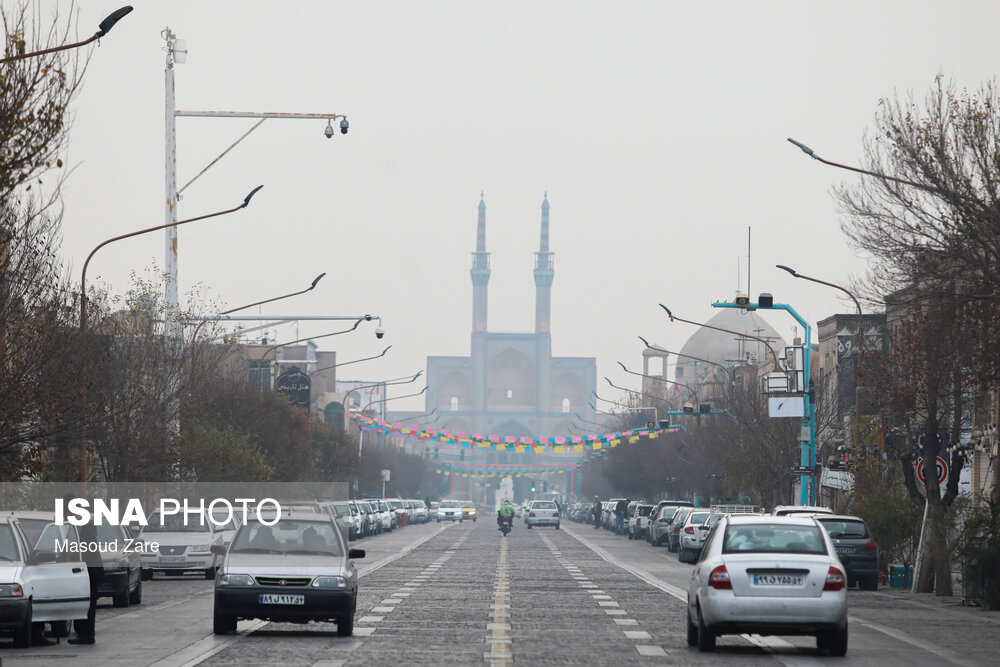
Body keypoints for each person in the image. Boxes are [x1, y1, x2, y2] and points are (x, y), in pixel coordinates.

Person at [69, 518, 103, 645]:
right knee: (86, 602)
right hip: (89, 570)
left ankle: (86, 634)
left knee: (88, 603)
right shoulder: (82, 528)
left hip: (90, 571)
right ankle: (83, 632)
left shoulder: (85, 529)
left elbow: (85, 551)